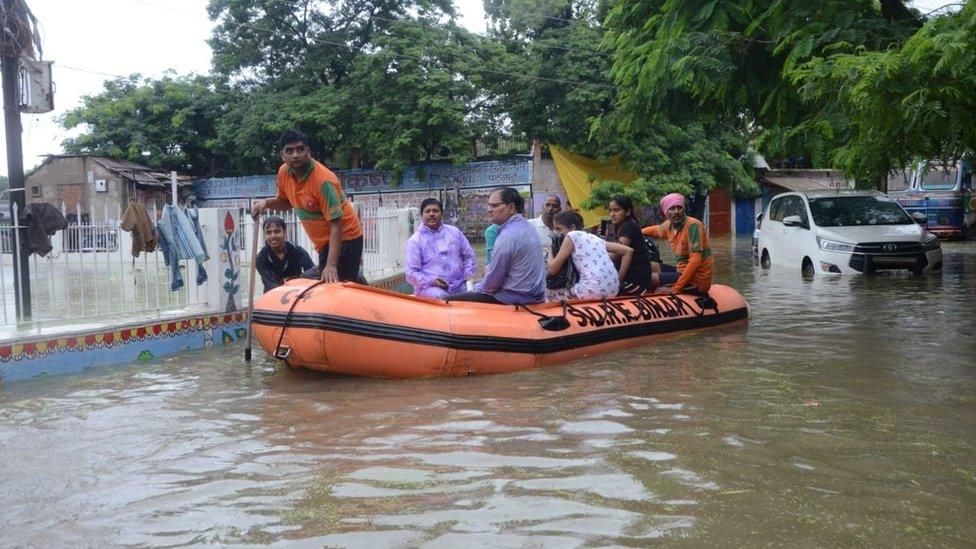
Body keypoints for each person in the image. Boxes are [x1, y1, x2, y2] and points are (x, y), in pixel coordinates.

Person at [251, 130, 365, 284]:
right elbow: (286, 203)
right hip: (325, 243)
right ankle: (356, 278)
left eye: (300, 149)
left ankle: (356, 282)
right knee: (332, 281)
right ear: (282, 155)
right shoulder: (284, 172)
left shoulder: (323, 181)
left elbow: (336, 226)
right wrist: (267, 203)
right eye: (289, 151)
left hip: (346, 238)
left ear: (308, 152)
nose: (295, 155)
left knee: (338, 286)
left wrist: (331, 265)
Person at [447, 187, 546, 304]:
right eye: (489, 205)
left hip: (515, 299)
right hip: (535, 296)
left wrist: (474, 289)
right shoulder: (529, 227)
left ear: (511, 208)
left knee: (448, 300)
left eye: (494, 206)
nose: (489, 210)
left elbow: (490, 285)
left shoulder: (507, 236)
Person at [548, 210, 633, 301]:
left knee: (551, 294)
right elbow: (628, 251)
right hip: (613, 290)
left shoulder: (571, 235)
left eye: (559, 229)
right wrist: (618, 279)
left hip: (590, 289)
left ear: (572, 227)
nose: (557, 233)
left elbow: (552, 270)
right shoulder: (594, 238)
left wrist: (550, 248)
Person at [405, 198, 477, 299]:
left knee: (480, 290)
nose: (431, 214)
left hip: (459, 285)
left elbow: (468, 255)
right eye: (427, 211)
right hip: (429, 288)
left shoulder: (454, 232)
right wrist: (431, 281)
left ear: (442, 214)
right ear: (421, 216)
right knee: (442, 297)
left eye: (435, 211)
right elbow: (411, 273)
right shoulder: (415, 241)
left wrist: (469, 274)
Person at [642, 193, 714, 294]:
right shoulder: (669, 225)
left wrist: (675, 289)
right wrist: (637, 232)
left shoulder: (693, 226)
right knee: (647, 266)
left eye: (679, 207)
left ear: (684, 209)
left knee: (645, 278)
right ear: (666, 213)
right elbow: (656, 230)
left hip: (697, 280)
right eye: (672, 208)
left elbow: (695, 261)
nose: (676, 212)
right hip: (680, 270)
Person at [606, 195, 659, 294]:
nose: (612, 214)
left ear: (628, 212)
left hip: (636, 281)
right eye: (611, 211)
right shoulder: (621, 226)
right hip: (634, 278)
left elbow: (618, 254)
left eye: (616, 210)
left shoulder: (629, 226)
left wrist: (617, 281)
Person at [255, 216, 315, 293]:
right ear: (264, 235)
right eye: (268, 232)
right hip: (273, 296)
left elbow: (312, 272)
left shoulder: (297, 250)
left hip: (298, 294)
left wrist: (302, 280)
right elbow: (271, 284)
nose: (273, 236)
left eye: (277, 231)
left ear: (285, 232)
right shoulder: (261, 258)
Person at [529, 194, 561, 260]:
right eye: (547, 205)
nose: (550, 209)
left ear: (559, 209)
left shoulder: (563, 229)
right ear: (543, 206)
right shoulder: (529, 225)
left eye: (554, 206)